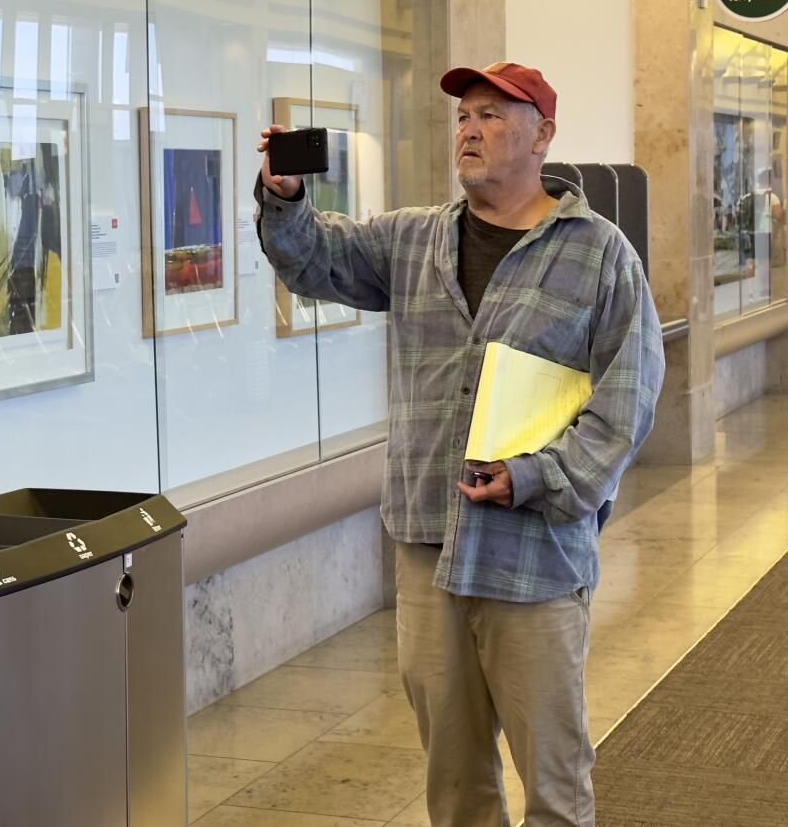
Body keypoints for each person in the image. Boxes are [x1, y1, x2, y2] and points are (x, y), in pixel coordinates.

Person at [254, 62, 665, 827]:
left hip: (536, 554)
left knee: (555, 778)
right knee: (454, 780)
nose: (470, 130)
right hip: (430, 550)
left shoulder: (598, 254)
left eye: (493, 116)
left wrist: (538, 477)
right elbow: (315, 259)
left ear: (543, 136)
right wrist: (286, 198)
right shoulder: (413, 240)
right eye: (463, 117)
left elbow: (628, 399)